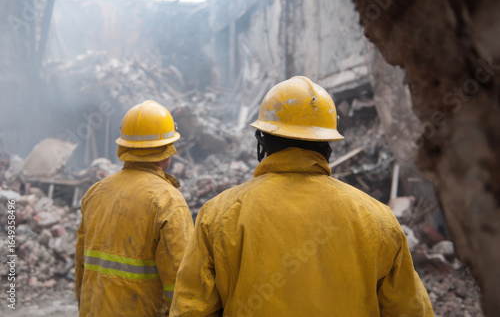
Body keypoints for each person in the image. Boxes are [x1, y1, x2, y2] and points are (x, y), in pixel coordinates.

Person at [170, 76, 434, 316]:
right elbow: (411, 311)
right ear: (327, 145)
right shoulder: (378, 219)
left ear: (261, 142)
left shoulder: (218, 215)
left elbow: (191, 310)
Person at [75, 100, 194, 316]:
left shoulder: (95, 193)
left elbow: (81, 269)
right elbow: (182, 283)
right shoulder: (168, 201)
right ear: (168, 150)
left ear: (124, 146)